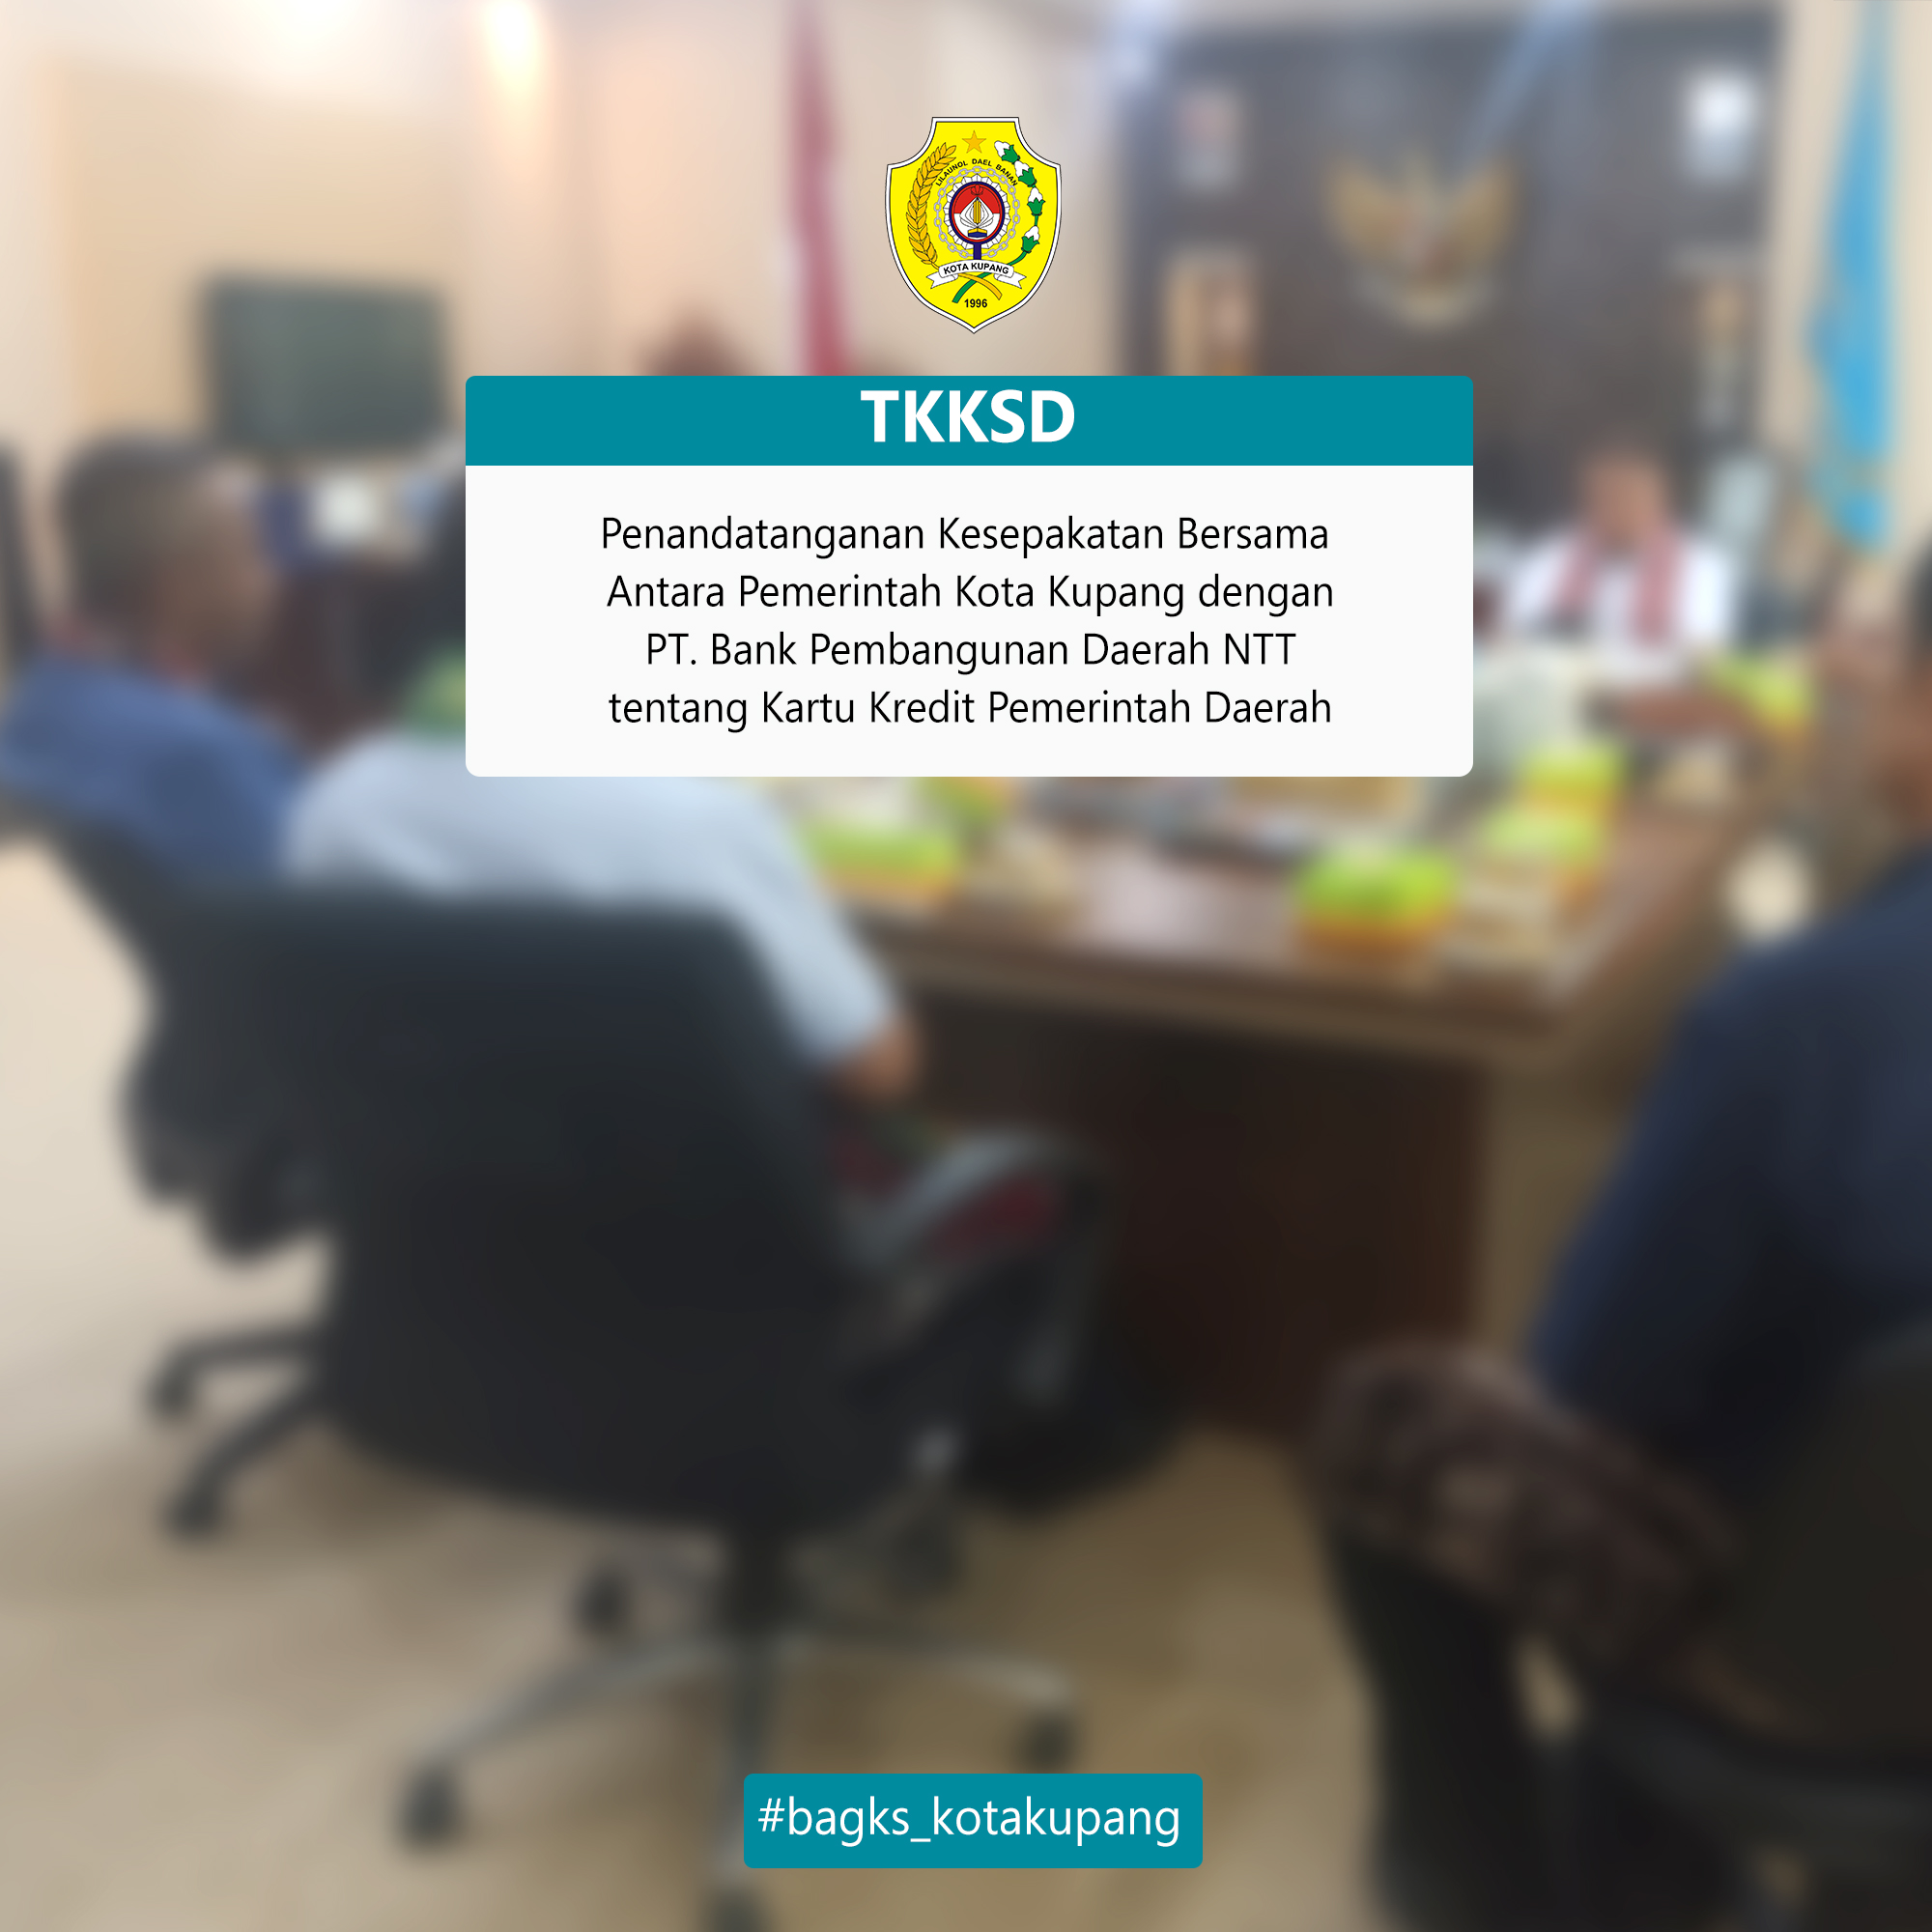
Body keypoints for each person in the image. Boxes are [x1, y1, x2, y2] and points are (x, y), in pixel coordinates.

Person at [1326, 538, 1932, 1932]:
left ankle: (1494, 1890)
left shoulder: (1791, 1019)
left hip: (1806, 1626)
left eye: (1888, 657)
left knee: (1392, 1420)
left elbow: (1585, 1380)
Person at [284, 488, 918, 1105]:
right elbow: (876, 1069)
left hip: (435, 1173)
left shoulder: (337, 810)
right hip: (682, 1174)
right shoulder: (689, 824)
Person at [0, 436, 294, 877]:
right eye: (250, 553)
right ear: (178, 585)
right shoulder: (205, 756)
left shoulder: (34, 703)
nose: (271, 579)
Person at [1502, 439, 1739, 685]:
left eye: (1631, 495)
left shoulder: (1699, 568)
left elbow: (1701, 658)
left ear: (1660, 498)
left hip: (1655, 699)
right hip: (1557, 693)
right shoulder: (1551, 559)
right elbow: (1513, 643)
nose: (1619, 507)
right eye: (1606, 496)